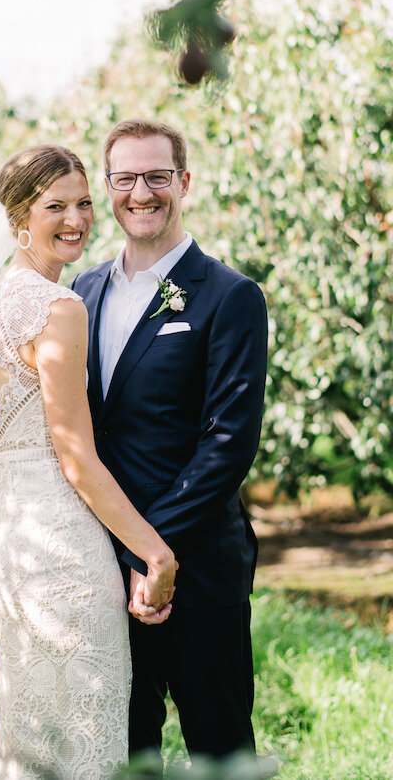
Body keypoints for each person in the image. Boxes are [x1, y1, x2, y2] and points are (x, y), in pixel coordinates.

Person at [0, 145, 178, 779]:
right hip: (62, 556)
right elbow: (76, 458)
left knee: (29, 745)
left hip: (9, 552)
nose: (76, 218)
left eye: (84, 202)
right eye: (55, 206)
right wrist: (155, 552)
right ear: (18, 218)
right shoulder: (59, 308)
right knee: (84, 747)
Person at [71, 119, 267, 761]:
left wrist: (150, 553)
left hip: (198, 564)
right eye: (125, 178)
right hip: (99, 566)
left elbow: (228, 445)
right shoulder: (82, 291)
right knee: (125, 750)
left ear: (183, 182)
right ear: (108, 187)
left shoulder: (231, 296)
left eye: (157, 176)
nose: (141, 192)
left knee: (219, 747)